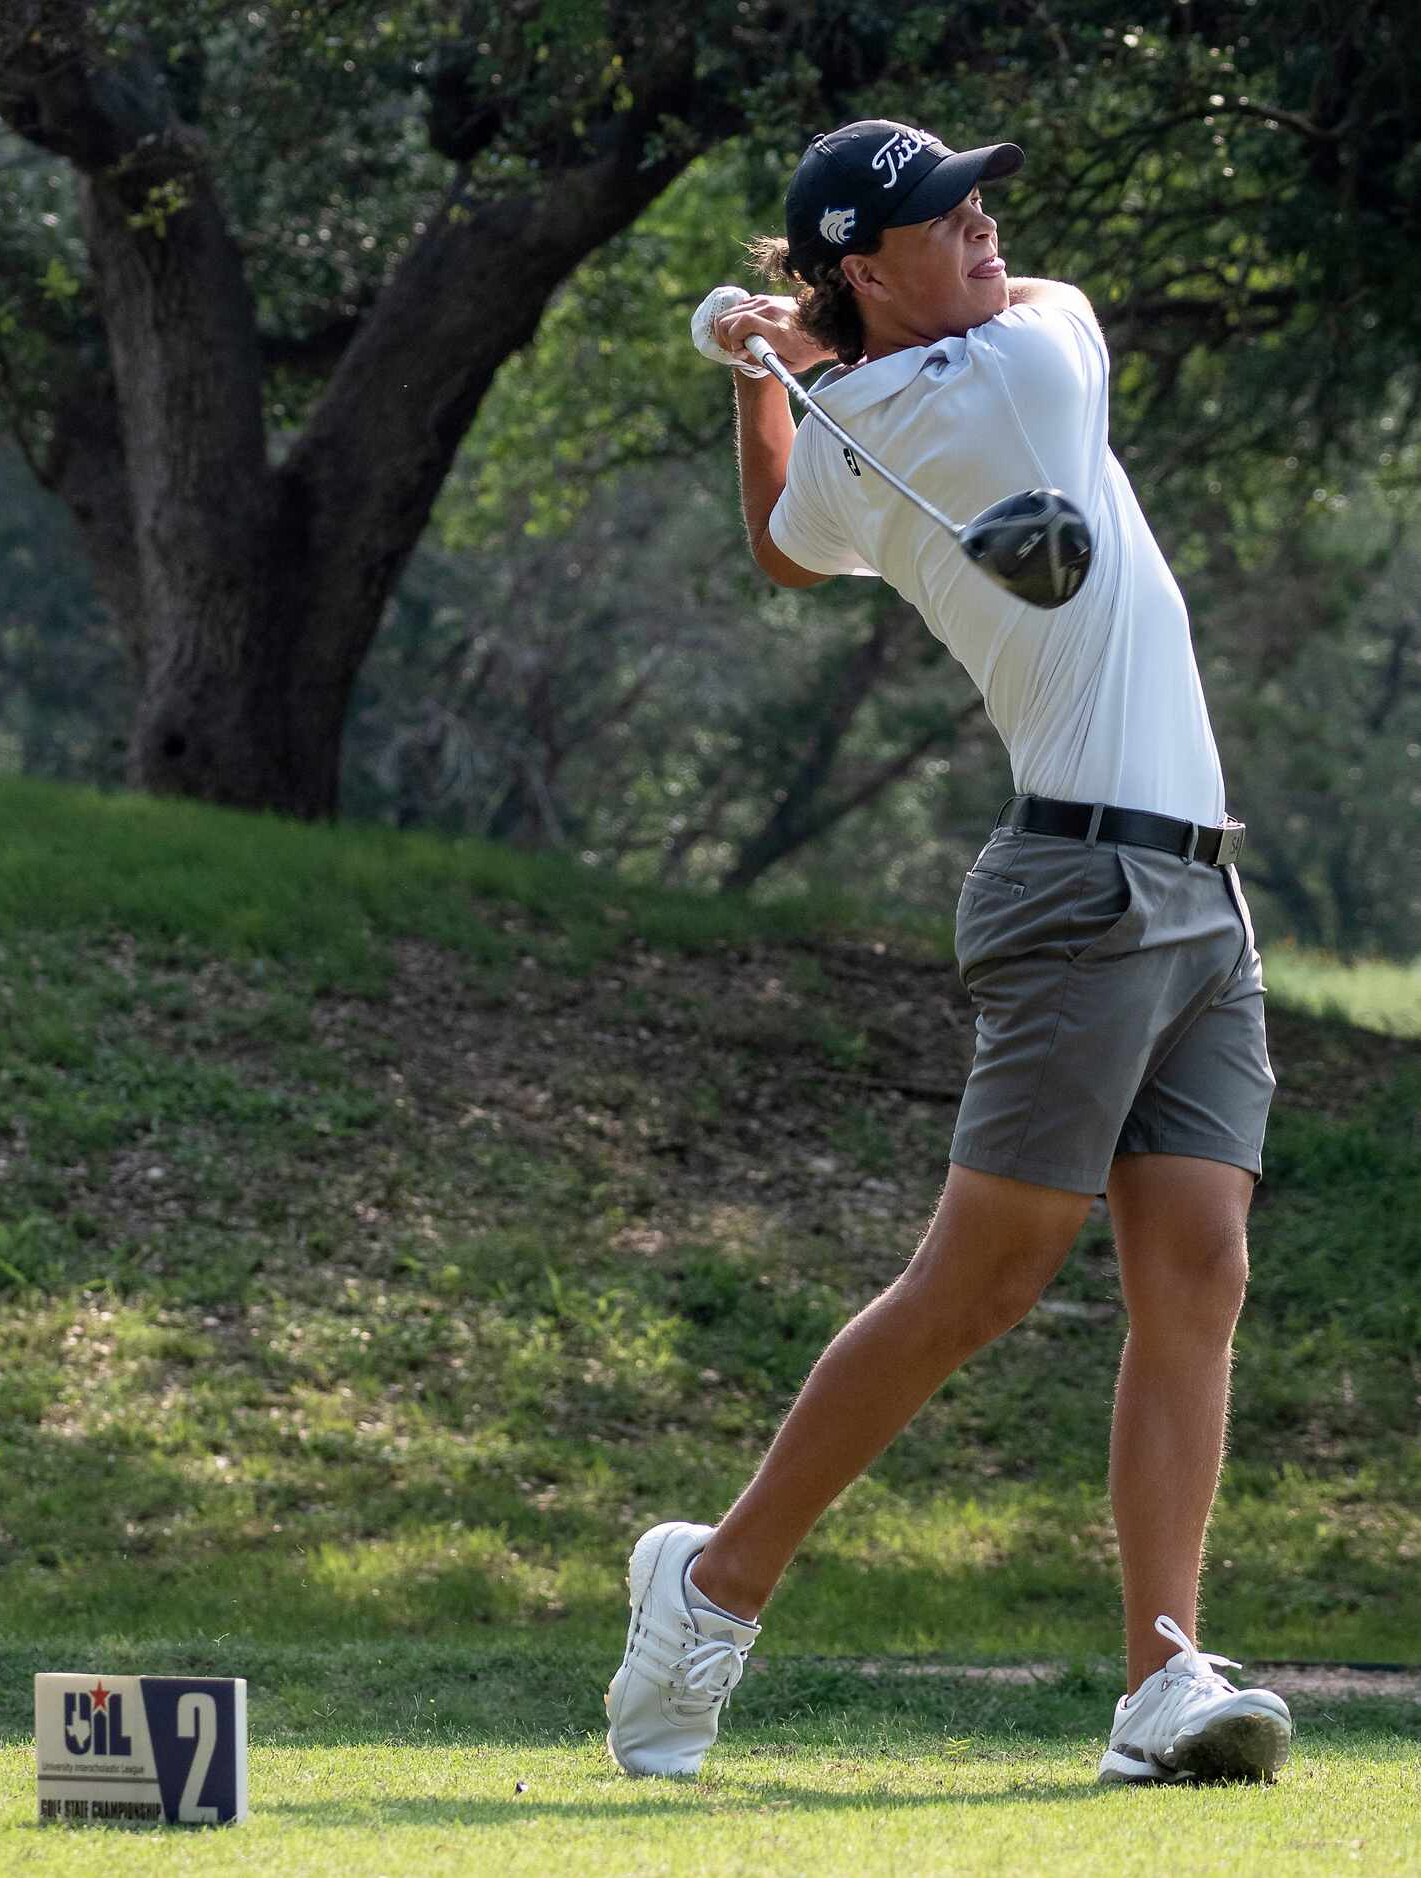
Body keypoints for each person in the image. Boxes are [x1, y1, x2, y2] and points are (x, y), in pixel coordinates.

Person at [604, 119, 1292, 1786]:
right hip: (1079, 891)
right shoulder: (1025, 368)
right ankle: (709, 1582)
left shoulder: (857, 428)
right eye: (940, 215)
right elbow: (1031, 310)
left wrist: (765, 371)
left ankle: (1159, 1678)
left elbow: (781, 541)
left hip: (1194, 887)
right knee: (981, 1281)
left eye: (980, 201)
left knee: (1197, 1265)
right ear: (861, 264)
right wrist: (785, 349)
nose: (986, 225)